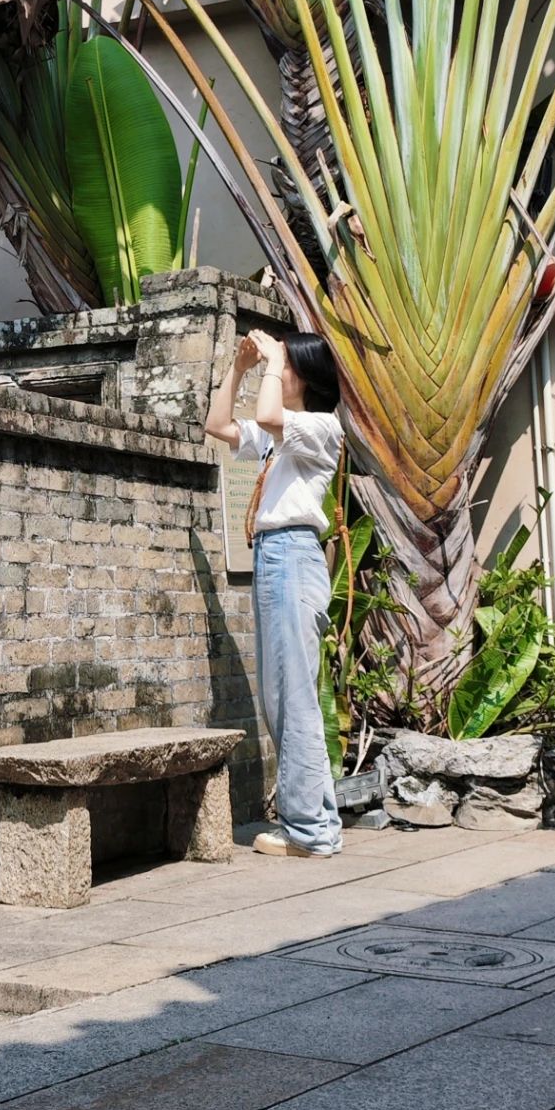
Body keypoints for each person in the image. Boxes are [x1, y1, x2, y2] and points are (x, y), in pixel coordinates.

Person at [204, 328, 345, 858]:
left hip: (292, 554)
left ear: (303, 376)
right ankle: (318, 823)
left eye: (285, 366)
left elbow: (266, 416)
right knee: (281, 696)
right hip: (274, 556)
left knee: (294, 698)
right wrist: (239, 367)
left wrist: (273, 359)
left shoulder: (320, 427)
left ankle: (308, 832)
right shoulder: (282, 436)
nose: (276, 372)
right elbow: (217, 425)